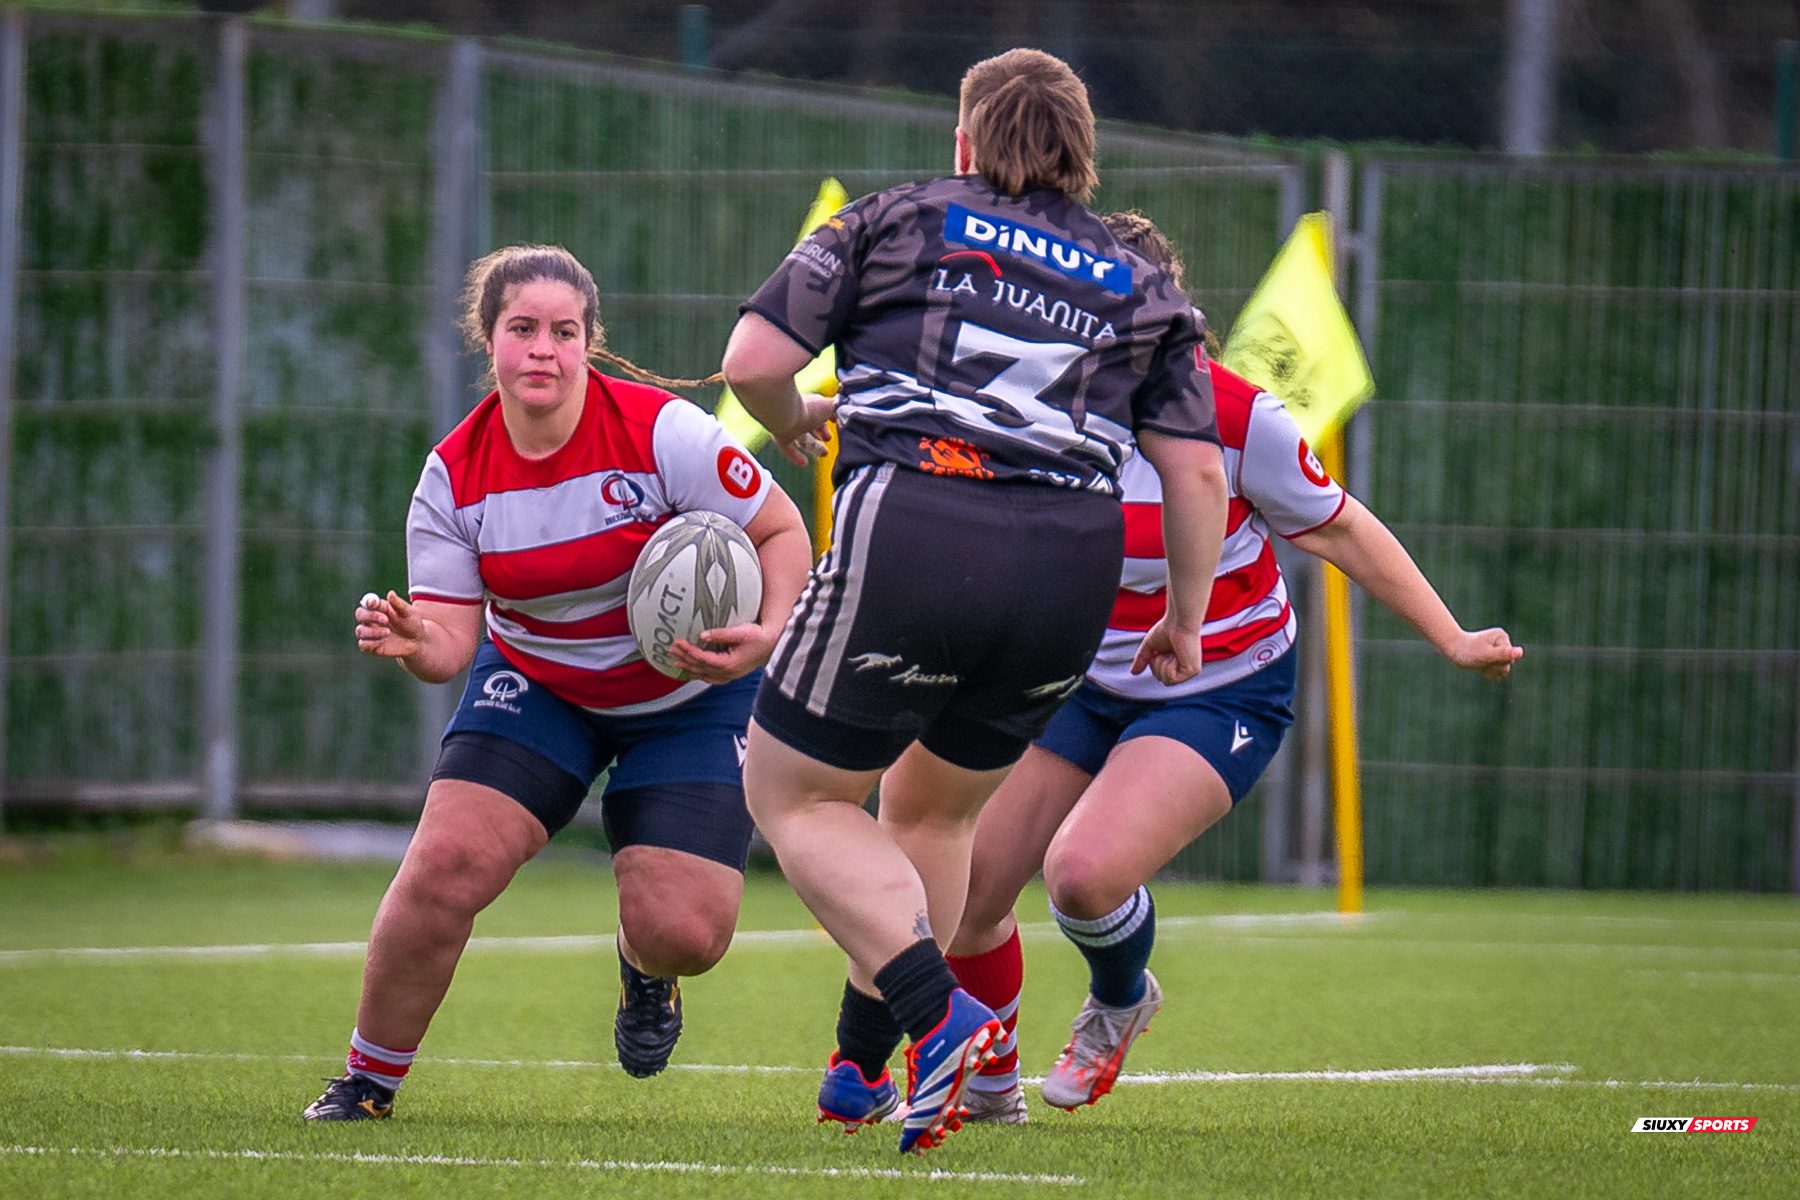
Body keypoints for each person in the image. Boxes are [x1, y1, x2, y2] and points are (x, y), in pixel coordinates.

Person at [719, 52, 1230, 1154]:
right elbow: (1195, 472)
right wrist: (1184, 619)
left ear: (964, 142)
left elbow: (750, 359)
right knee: (936, 813)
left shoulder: (899, 217)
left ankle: (936, 1015)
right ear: (1083, 156)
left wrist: (792, 417)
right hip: (1072, 568)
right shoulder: (1143, 282)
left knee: (789, 792)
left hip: (922, 522)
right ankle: (863, 1067)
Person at [941, 211, 1524, 1121]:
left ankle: (1121, 997)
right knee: (970, 887)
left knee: (1083, 875)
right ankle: (985, 1079)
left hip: (1219, 683)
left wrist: (1451, 636)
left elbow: (1339, 527)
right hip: (1077, 677)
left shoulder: (1236, 416)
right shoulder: (1033, 404)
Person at [302, 244, 812, 1121]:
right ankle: (368, 1081)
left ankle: (642, 967)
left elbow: (781, 531)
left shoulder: (662, 432)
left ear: (589, 344)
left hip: (692, 694)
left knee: (685, 934)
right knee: (446, 863)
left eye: (564, 331)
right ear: (488, 340)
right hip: (542, 684)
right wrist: (414, 637)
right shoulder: (453, 476)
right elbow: (452, 645)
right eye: (523, 329)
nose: (543, 348)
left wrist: (763, 637)